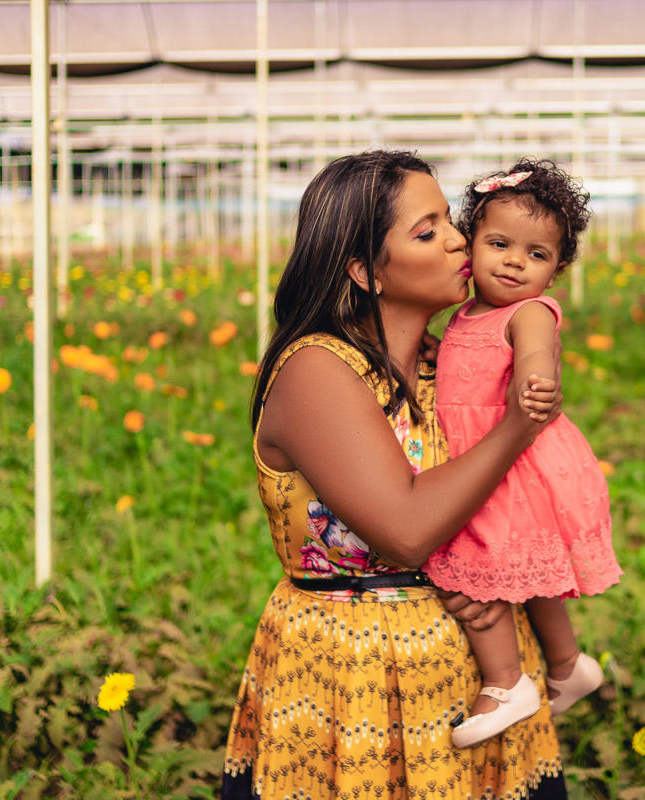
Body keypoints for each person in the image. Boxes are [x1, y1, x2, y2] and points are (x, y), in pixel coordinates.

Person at [221, 151, 569, 800]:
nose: (458, 240)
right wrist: (517, 426)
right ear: (365, 270)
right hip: (353, 681)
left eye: (451, 222)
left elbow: (520, 496)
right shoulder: (318, 371)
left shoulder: (450, 364)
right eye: (427, 231)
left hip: (480, 677)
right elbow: (407, 530)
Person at [424, 158, 623, 749]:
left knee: (480, 563)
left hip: (514, 463)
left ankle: (506, 682)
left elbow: (535, 355)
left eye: (536, 254)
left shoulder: (529, 312)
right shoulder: (463, 315)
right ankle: (567, 664)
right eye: (499, 244)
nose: (514, 261)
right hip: (494, 457)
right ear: (471, 244)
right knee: (527, 573)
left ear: (555, 272)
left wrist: (536, 382)